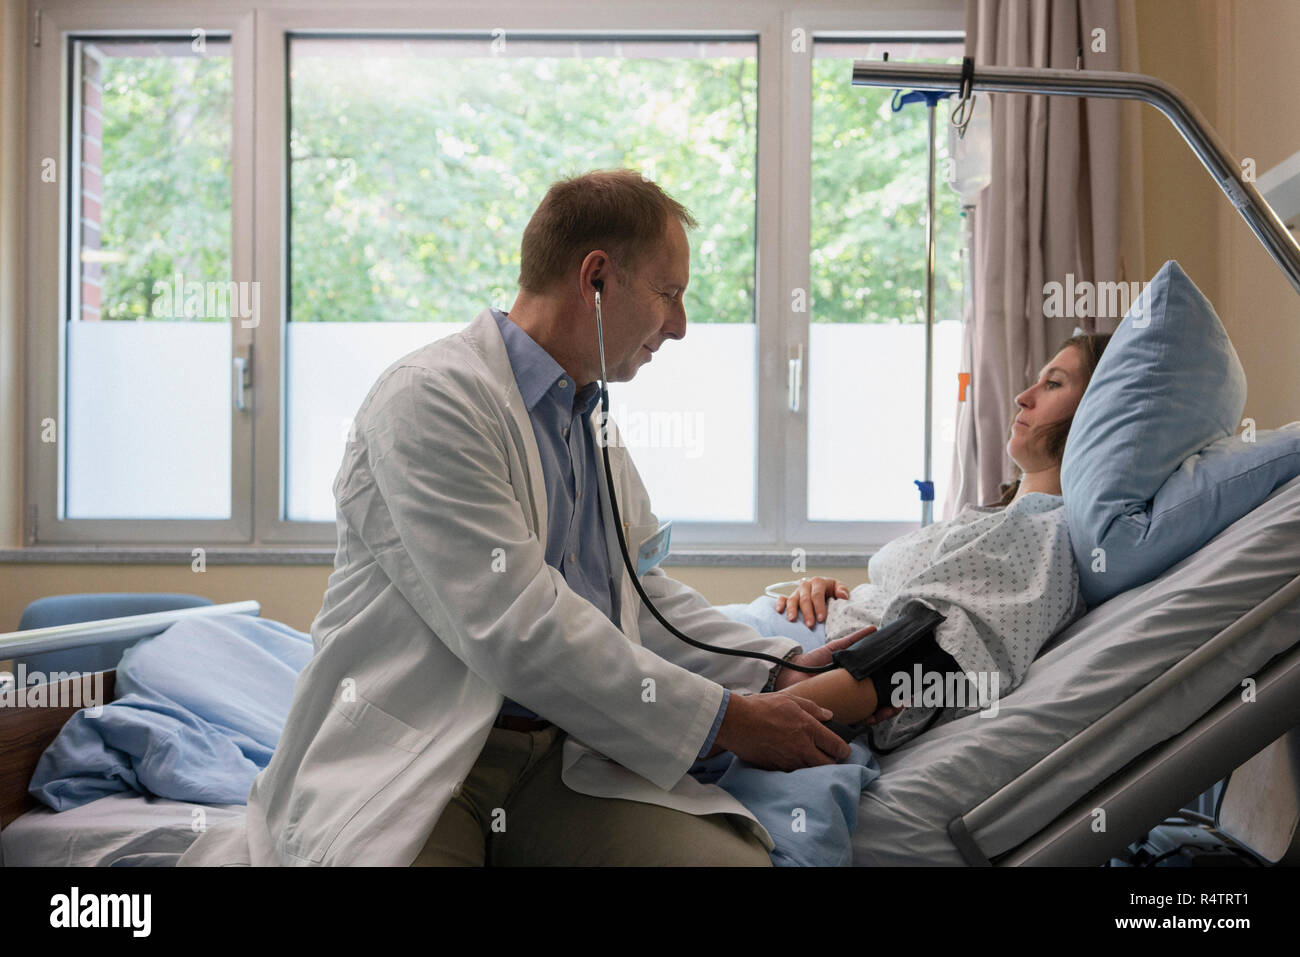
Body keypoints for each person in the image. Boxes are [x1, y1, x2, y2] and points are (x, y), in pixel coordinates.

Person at [178, 169, 868, 868]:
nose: (680, 326)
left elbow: (639, 597)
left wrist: (772, 668)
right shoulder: (430, 400)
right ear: (595, 279)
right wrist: (726, 720)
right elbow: (518, 624)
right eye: (670, 294)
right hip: (424, 756)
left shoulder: (587, 418)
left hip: (559, 758)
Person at [754, 332, 1112, 748]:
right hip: (779, 651)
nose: (1023, 396)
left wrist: (743, 721)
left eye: (1053, 384)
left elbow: (914, 661)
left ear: (1096, 411)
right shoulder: (999, 520)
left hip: (795, 678)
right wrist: (831, 593)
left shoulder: (1038, 533)